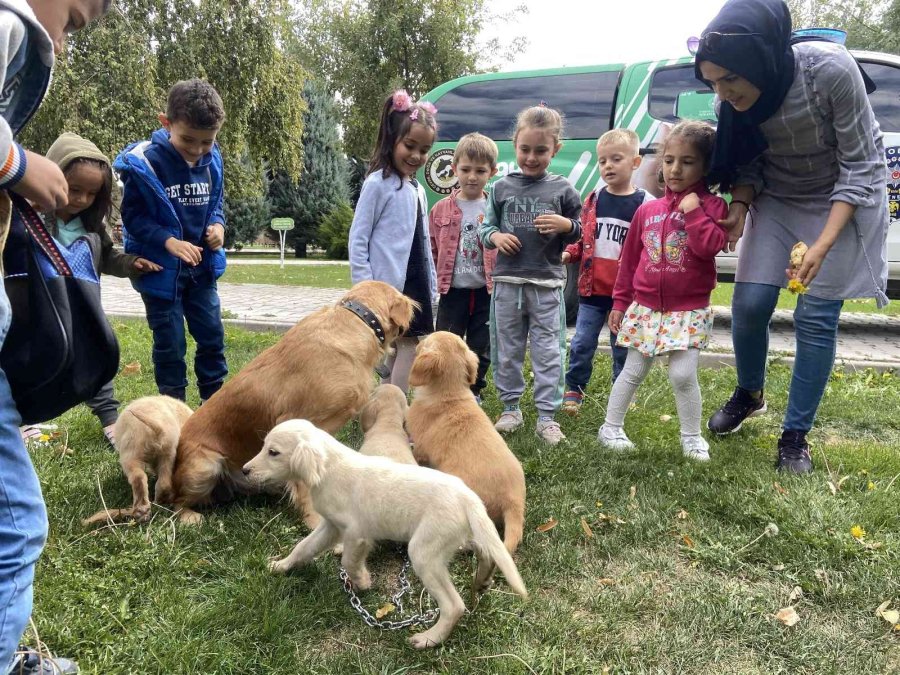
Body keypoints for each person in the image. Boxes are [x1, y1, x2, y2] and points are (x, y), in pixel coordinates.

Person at [696, 0, 890, 473]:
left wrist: (823, 245)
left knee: (816, 316)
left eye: (729, 79)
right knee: (749, 305)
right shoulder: (732, 100)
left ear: (757, 60)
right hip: (780, 195)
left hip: (843, 196)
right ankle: (750, 392)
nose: (722, 93)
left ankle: (795, 435)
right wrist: (739, 208)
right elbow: (748, 162)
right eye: (713, 82)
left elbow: (860, 164)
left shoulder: (829, 70)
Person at [0, 2, 111, 673]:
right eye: (72, 19)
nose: (64, 43)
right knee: (17, 528)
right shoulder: (9, 23)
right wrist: (18, 162)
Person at [597, 121, 727, 462]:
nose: (675, 169)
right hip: (645, 307)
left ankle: (692, 438)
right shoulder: (647, 210)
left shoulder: (713, 208)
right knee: (633, 370)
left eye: (687, 161)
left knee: (683, 374)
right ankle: (610, 428)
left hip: (688, 309)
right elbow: (629, 261)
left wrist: (694, 212)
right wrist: (620, 302)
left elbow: (709, 247)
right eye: (669, 160)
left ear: (705, 167)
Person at [43, 132, 161, 447]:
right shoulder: (32, 220)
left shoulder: (92, 225)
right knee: (34, 364)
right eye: (74, 189)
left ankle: (111, 420)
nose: (82, 199)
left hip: (83, 310)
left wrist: (131, 263)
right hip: (41, 313)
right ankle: (23, 423)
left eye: (92, 193)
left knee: (95, 358)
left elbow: (107, 257)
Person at [114, 79, 228, 404]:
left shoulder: (213, 160)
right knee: (170, 344)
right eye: (187, 139)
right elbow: (133, 217)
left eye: (207, 141)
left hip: (201, 271)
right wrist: (168, 241)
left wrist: (218, 225)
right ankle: (173, 406)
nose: (197, 149)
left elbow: (216, 203)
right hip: (161, 273)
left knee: (212, 336)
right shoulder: (146, 164)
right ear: (166, 123)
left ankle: (213, 404)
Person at [478, 105, 582, 446]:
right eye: (525, 149)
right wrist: (496, 237)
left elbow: (581, 230)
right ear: (515, 145)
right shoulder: (500, 188)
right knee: (506, 349)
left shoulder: (563, 189)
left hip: (546, 285)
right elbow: (485, 228)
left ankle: (547, 417)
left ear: (556, 149)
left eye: (541, 150)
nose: (532, 157)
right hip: (507, 285)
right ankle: (511, 409)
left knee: (549, 350)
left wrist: (566, 225)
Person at [349, 90, 438, 394]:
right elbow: (358, 238)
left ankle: (383, 406)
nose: (416, 155)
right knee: (407, 346)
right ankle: (395, 409)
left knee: (403, 345)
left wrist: (432, 285)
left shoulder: (417, 189)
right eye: (409, 146)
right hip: (387, 288)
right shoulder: (378, 184)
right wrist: (364, 287)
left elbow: (422, 242)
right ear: (392, 140)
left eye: (424, 150)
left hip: (415, 283)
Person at [561, 128, 650, 415]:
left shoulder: (644, 204)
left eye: (616, 159)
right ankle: (574, 388)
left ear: (635, 162)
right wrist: (569, 253)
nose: (608, 166)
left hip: (626, 296)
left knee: (622, 346)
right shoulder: (594, 199)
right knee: (581, 343)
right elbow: (583, 239)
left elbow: (649, 248)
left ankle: (621, 390)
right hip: (592, 291)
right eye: (602, 161)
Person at [429, 132, 498, 404]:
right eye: (466, 169)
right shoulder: (440, 209)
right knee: (447, 341)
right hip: (452, 290)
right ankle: (445, 388)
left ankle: (474, 390)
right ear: (454, 168)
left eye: (480, 171)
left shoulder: (495, 208)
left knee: (482, 344)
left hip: (486, 291)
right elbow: (432, 247)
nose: (472, 177)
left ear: (492, 172)